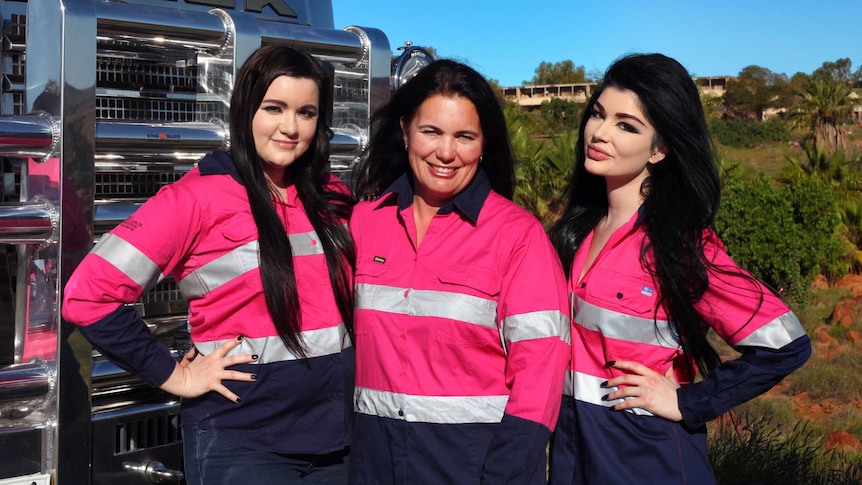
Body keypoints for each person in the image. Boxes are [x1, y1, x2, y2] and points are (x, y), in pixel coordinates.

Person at [61, 44, 355, 484]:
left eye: (307, 112)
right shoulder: (195, 199)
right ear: (245, 110)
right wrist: (174, 375)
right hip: (246, 445)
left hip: (340, 442)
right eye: (274, 108)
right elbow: (88, 295)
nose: (290, 127)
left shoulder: (332, 196)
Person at [546, 53, 812, 484]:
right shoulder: (575, 233)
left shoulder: (679, 245)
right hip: (575, 454)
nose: (599, 132)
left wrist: (688, 403)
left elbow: (786, 345)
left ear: (660, 149)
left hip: (647, 459)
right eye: (598, 114)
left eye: (626, 125)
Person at [348, 59, 570, 484]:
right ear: (405, 130)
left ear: (484, 144)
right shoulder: (364, 222)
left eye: (464, 136)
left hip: (473, 468)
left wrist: (501, 476)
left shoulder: (518, 236)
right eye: (431, 131)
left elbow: (540, 375)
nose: (446, 152)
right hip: (373, 465)